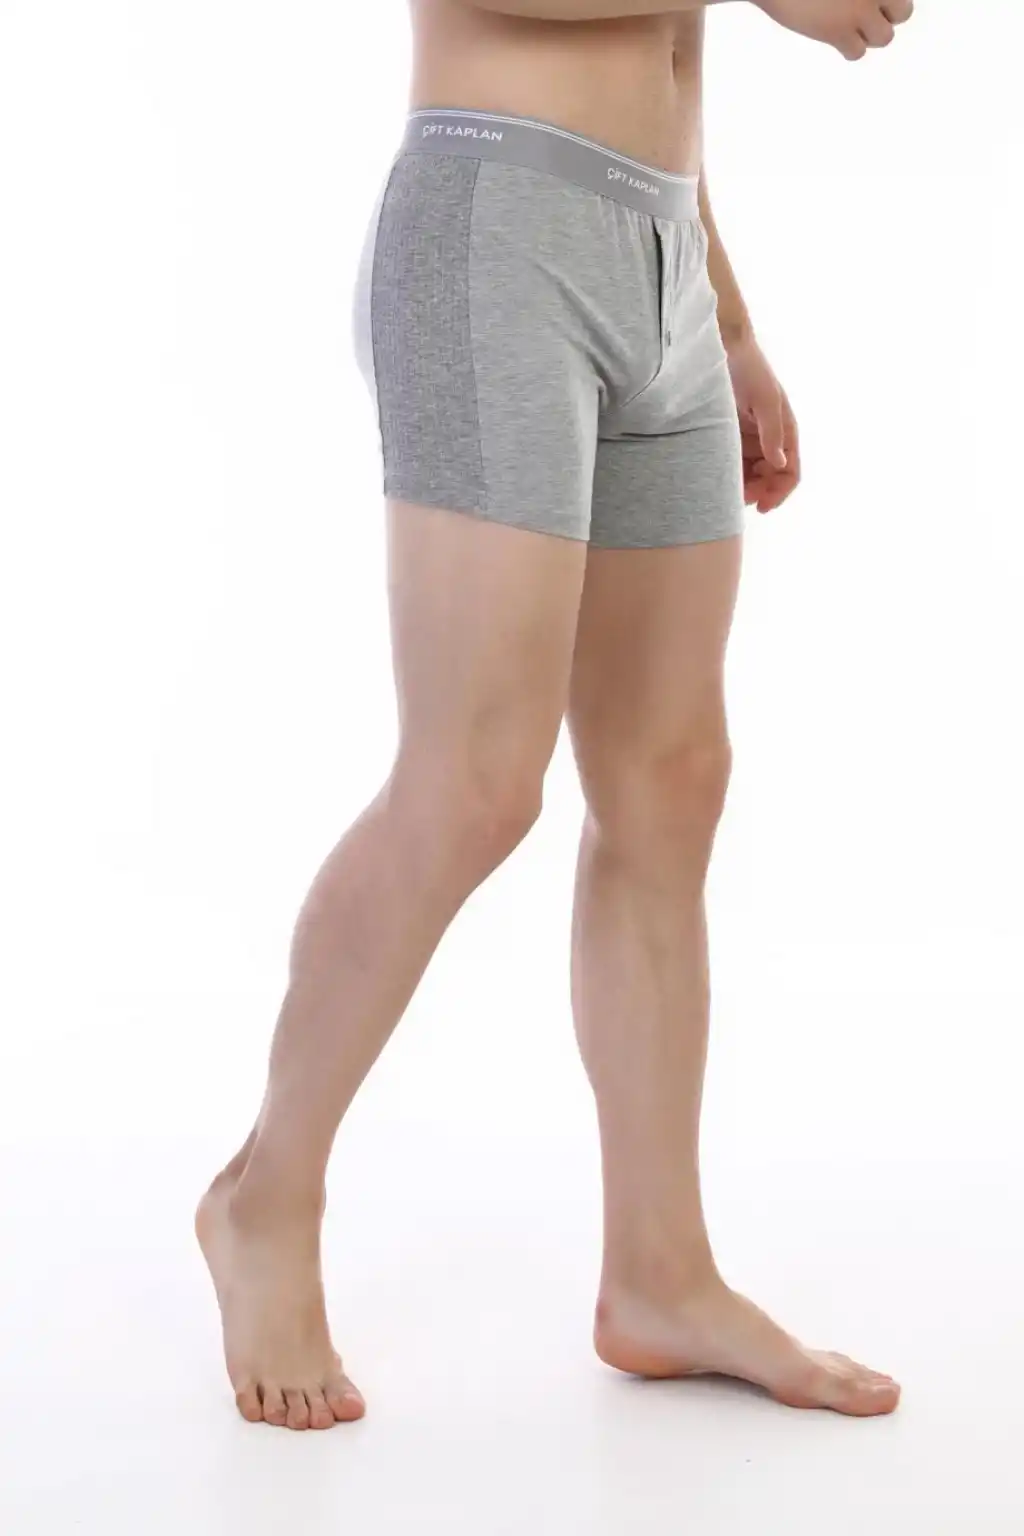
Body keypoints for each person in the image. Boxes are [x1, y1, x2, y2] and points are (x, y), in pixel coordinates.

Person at [197, 0, 914, 1432]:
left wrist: (727, 317)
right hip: (496, 230)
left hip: (663, 253)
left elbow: (671, 48)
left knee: (670, 780)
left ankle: (661, 1273)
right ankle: (265, 1193)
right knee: (471, 783)